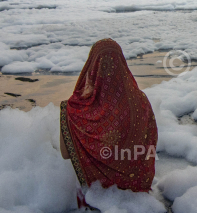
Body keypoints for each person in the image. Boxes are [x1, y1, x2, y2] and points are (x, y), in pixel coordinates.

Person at [60, 38, 158, 202]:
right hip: (136, 190)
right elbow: (150, 141)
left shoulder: (75, 110)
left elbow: (65, 154)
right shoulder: (140, 102)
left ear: (91, 67)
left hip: (98, 196)